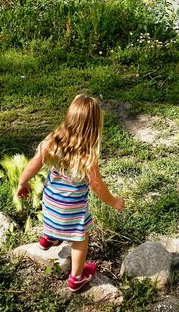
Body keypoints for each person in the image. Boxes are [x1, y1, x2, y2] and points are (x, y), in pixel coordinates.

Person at [16, 94, 125, 292]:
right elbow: (97, 186)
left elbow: (34, 163)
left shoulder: (53, 141)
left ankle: (48, 238)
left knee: (54, 213)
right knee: (80, 238)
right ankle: (77, 277)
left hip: (50, 203)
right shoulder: (87, 156)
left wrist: (22, 183)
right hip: (72, 211)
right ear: (93, 126)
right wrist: (114, 202)